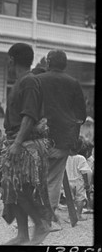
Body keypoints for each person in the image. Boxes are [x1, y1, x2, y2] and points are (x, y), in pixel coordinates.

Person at [0, 43, 53, 245]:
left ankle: (42, 224)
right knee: (12, 188)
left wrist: (17, 143)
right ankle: (22, 235)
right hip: (16, 140)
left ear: (11, 60)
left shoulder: (29, 81)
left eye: (8, 60)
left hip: (26, 143)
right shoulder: (22, 81)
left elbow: (29, 115)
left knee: (20, 188)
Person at [35, 50, 87, 231]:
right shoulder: (73, 83)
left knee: (38, 178)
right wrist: (73, 138)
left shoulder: (38, 80)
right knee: (53, 180)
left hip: (38, 138)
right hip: (63, 140)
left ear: (48, 62)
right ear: (64, 64)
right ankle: (45, 221)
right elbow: (81, 115)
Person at [64, 137, 93, 221]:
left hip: (67, 181)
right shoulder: (81, 158)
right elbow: (84, 172)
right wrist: (87, 183)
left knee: (69, 199)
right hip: (78, 181)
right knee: (80, 198)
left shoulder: (65, 157)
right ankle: (78, 215)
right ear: (80, 148)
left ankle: (70, 216)